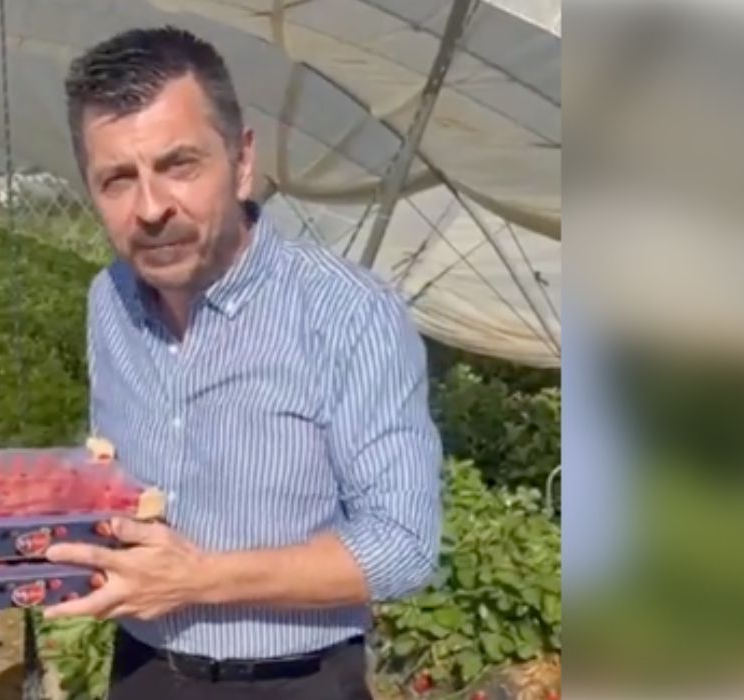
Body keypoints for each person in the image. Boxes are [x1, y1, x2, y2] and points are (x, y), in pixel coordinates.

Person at [42, 26, 443, 700]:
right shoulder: (106, 300)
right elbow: (112, 477)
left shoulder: (348, 313)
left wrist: (198, 578)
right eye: (117, 179)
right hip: (143, 670)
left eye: (179, 164)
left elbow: (402, 544)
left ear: (242, 160)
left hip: (298, 681)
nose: (150, 208)